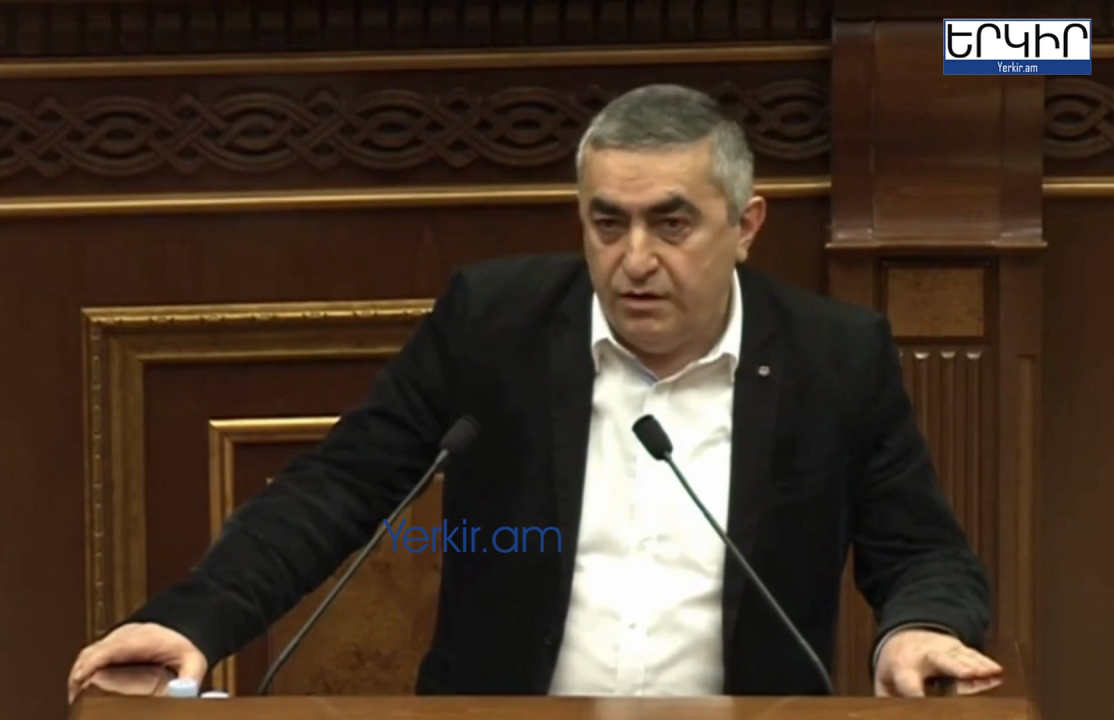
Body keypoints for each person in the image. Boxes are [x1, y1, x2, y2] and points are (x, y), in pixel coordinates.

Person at [68, 84, 1002, 702]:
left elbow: (923, 551)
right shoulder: (494, 325)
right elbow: (336, 488)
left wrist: (917, 631)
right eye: (608, 223)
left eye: (672, 224)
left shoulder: (833, 357)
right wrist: (192, 620)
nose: (635, 259)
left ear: (746, 225)